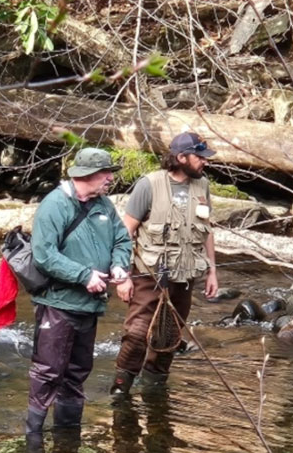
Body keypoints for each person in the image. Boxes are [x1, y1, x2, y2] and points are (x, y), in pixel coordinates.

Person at [26, 147, 132, 434]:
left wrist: (120, 266)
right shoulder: (54, 206)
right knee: (48, 372)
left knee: (77, 372)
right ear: (86, 175)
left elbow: (122, 240)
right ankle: (33, 437)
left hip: (91, 306)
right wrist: (84, 275)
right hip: (58, 304)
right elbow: (44, 255)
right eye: (105, 173)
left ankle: (68, 436)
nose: (110, 178)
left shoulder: (105, 206)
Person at [110, 132, 219, 395]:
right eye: (199, 157)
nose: (204, 162)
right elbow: (126, 232)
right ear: (181, 158)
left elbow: (207, 231)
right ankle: (120, 390)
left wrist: (212, 272)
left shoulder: (202, 185)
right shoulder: (148, 185)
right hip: (149, 276)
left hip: (185, 277)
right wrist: (123, 275)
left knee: (168, 337)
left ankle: (154, 390)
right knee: (136, 335)